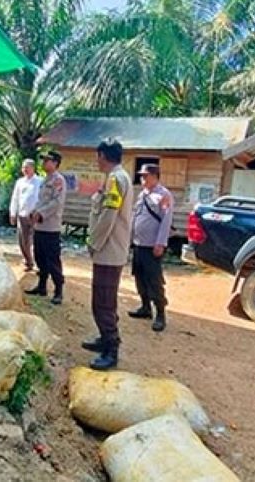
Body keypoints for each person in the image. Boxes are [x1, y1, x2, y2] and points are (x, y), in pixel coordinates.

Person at [82, 139, 134, 371]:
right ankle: (105, 339)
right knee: (106, 299)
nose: (96, 160)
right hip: (111, 249)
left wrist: (94, 242)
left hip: (108, 249)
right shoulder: (119, 177)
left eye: (98, 156)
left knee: (102, 302)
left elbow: (108, 216)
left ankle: (111, 350)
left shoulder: (115, 179)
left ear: (103, 155)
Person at [129, 163, 173, 332]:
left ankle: (160, 314)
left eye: (146, 175)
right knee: (139, 277)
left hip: (152, 245)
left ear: (155, 176)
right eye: (141, 176)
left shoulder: (163, 195)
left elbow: (166, 221)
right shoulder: (143, 195)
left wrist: (160, 243)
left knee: (154, 280)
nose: (142, 178)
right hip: (139, 243)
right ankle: (145, 307)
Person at [26, 151, 68, 304]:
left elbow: (57, 203)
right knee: (40, 257)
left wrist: (41, 213)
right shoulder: (45, 180)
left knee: (53, 261)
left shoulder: (58, 180)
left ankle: (58, 291)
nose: (44, 163)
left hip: (51, 227)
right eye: (43, 160)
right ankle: (42, 286)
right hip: (40, 227)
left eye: (47, 160)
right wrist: (34, 211)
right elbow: (41, 200)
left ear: (55, 163)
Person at [9, 159, 43, 271]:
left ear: (33, 168)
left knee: (37, 241)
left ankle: (39, 264)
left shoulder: (40, 181)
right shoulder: (20, 182)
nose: (25, 170)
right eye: (23, 167)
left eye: (27, 167)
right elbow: (15, 198)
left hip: (35, 215)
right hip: (22, 214)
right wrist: (12, 213)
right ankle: (28, 261)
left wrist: (39, 212)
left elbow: (43, 198)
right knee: (23, 240)